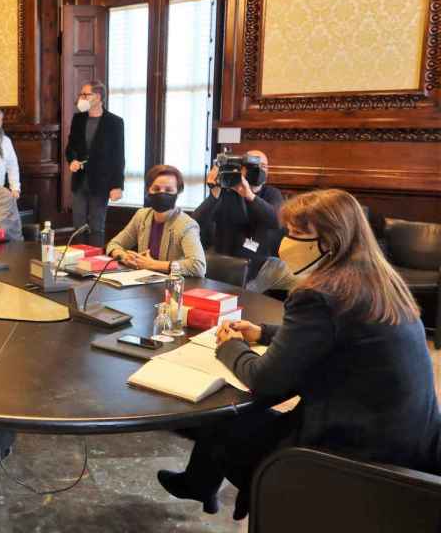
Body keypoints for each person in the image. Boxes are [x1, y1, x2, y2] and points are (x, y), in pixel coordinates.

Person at [158, 189, 441, 520]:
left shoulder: (320, 294)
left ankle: (232, 489)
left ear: (329, 240)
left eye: (296, 234)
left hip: (350, 449)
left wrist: (228, 346)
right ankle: (199, 483)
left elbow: (264, 379)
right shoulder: (375, 279)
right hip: (409, 440)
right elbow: (341, 336)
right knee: (236, 417)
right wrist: (263, 332)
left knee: (221, 421)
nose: (284, 242)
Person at [193, 150, 289, 292]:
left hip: (259, 265)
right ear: (241, 169)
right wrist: (214, 194)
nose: (259, 169)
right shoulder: (226, 191)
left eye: (263, 166)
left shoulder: (272, 193)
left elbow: (276, 221)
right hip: (225, 262)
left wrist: (249, 195)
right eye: (253, 165)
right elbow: (197, 223)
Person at [106, 164, 206, 277]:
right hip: (142, 283)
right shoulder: (142, 216)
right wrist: (125, 257)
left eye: (168, 190)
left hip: (172, 287)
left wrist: (154, 264)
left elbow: (198, 266)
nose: (162, 193)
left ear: (178, 193)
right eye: (156, 189)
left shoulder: (186, 225)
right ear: (148, 190)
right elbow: (113, 244)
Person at [67, 80, 125, 247]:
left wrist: (117, 185)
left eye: (85, 95)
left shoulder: (114, 122)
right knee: (78, 226)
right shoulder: (78, 119)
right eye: (81, 95)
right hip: (79, 181)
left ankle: (94, 265)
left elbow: (118, 156)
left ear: (98, 97)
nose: (81, 98)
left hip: (101, 182)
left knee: (96, 226)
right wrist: (72, 160)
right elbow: (70, 147)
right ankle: (76, 262)